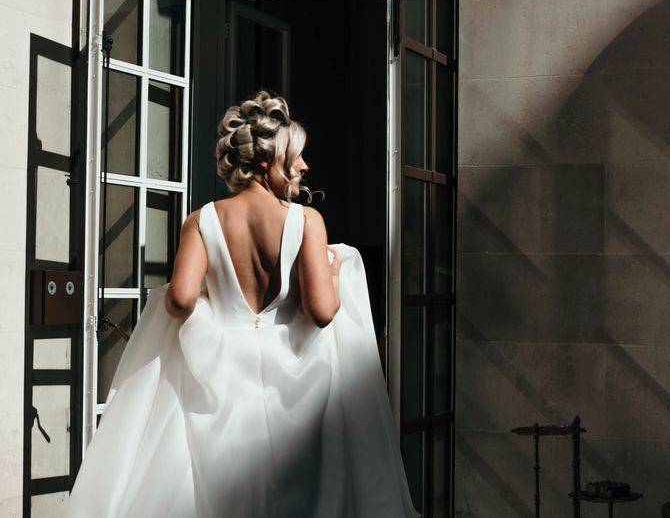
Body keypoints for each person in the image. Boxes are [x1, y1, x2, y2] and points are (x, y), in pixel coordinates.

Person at [65, 89, 419, 518]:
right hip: (297, 381)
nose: (305, 166)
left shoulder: (202, 220)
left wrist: (215, 295)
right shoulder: (306, 221)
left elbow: (178, 300)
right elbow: (322, 313)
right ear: (268, 162)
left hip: (220, 376)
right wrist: (334, 271)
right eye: (297, 156)